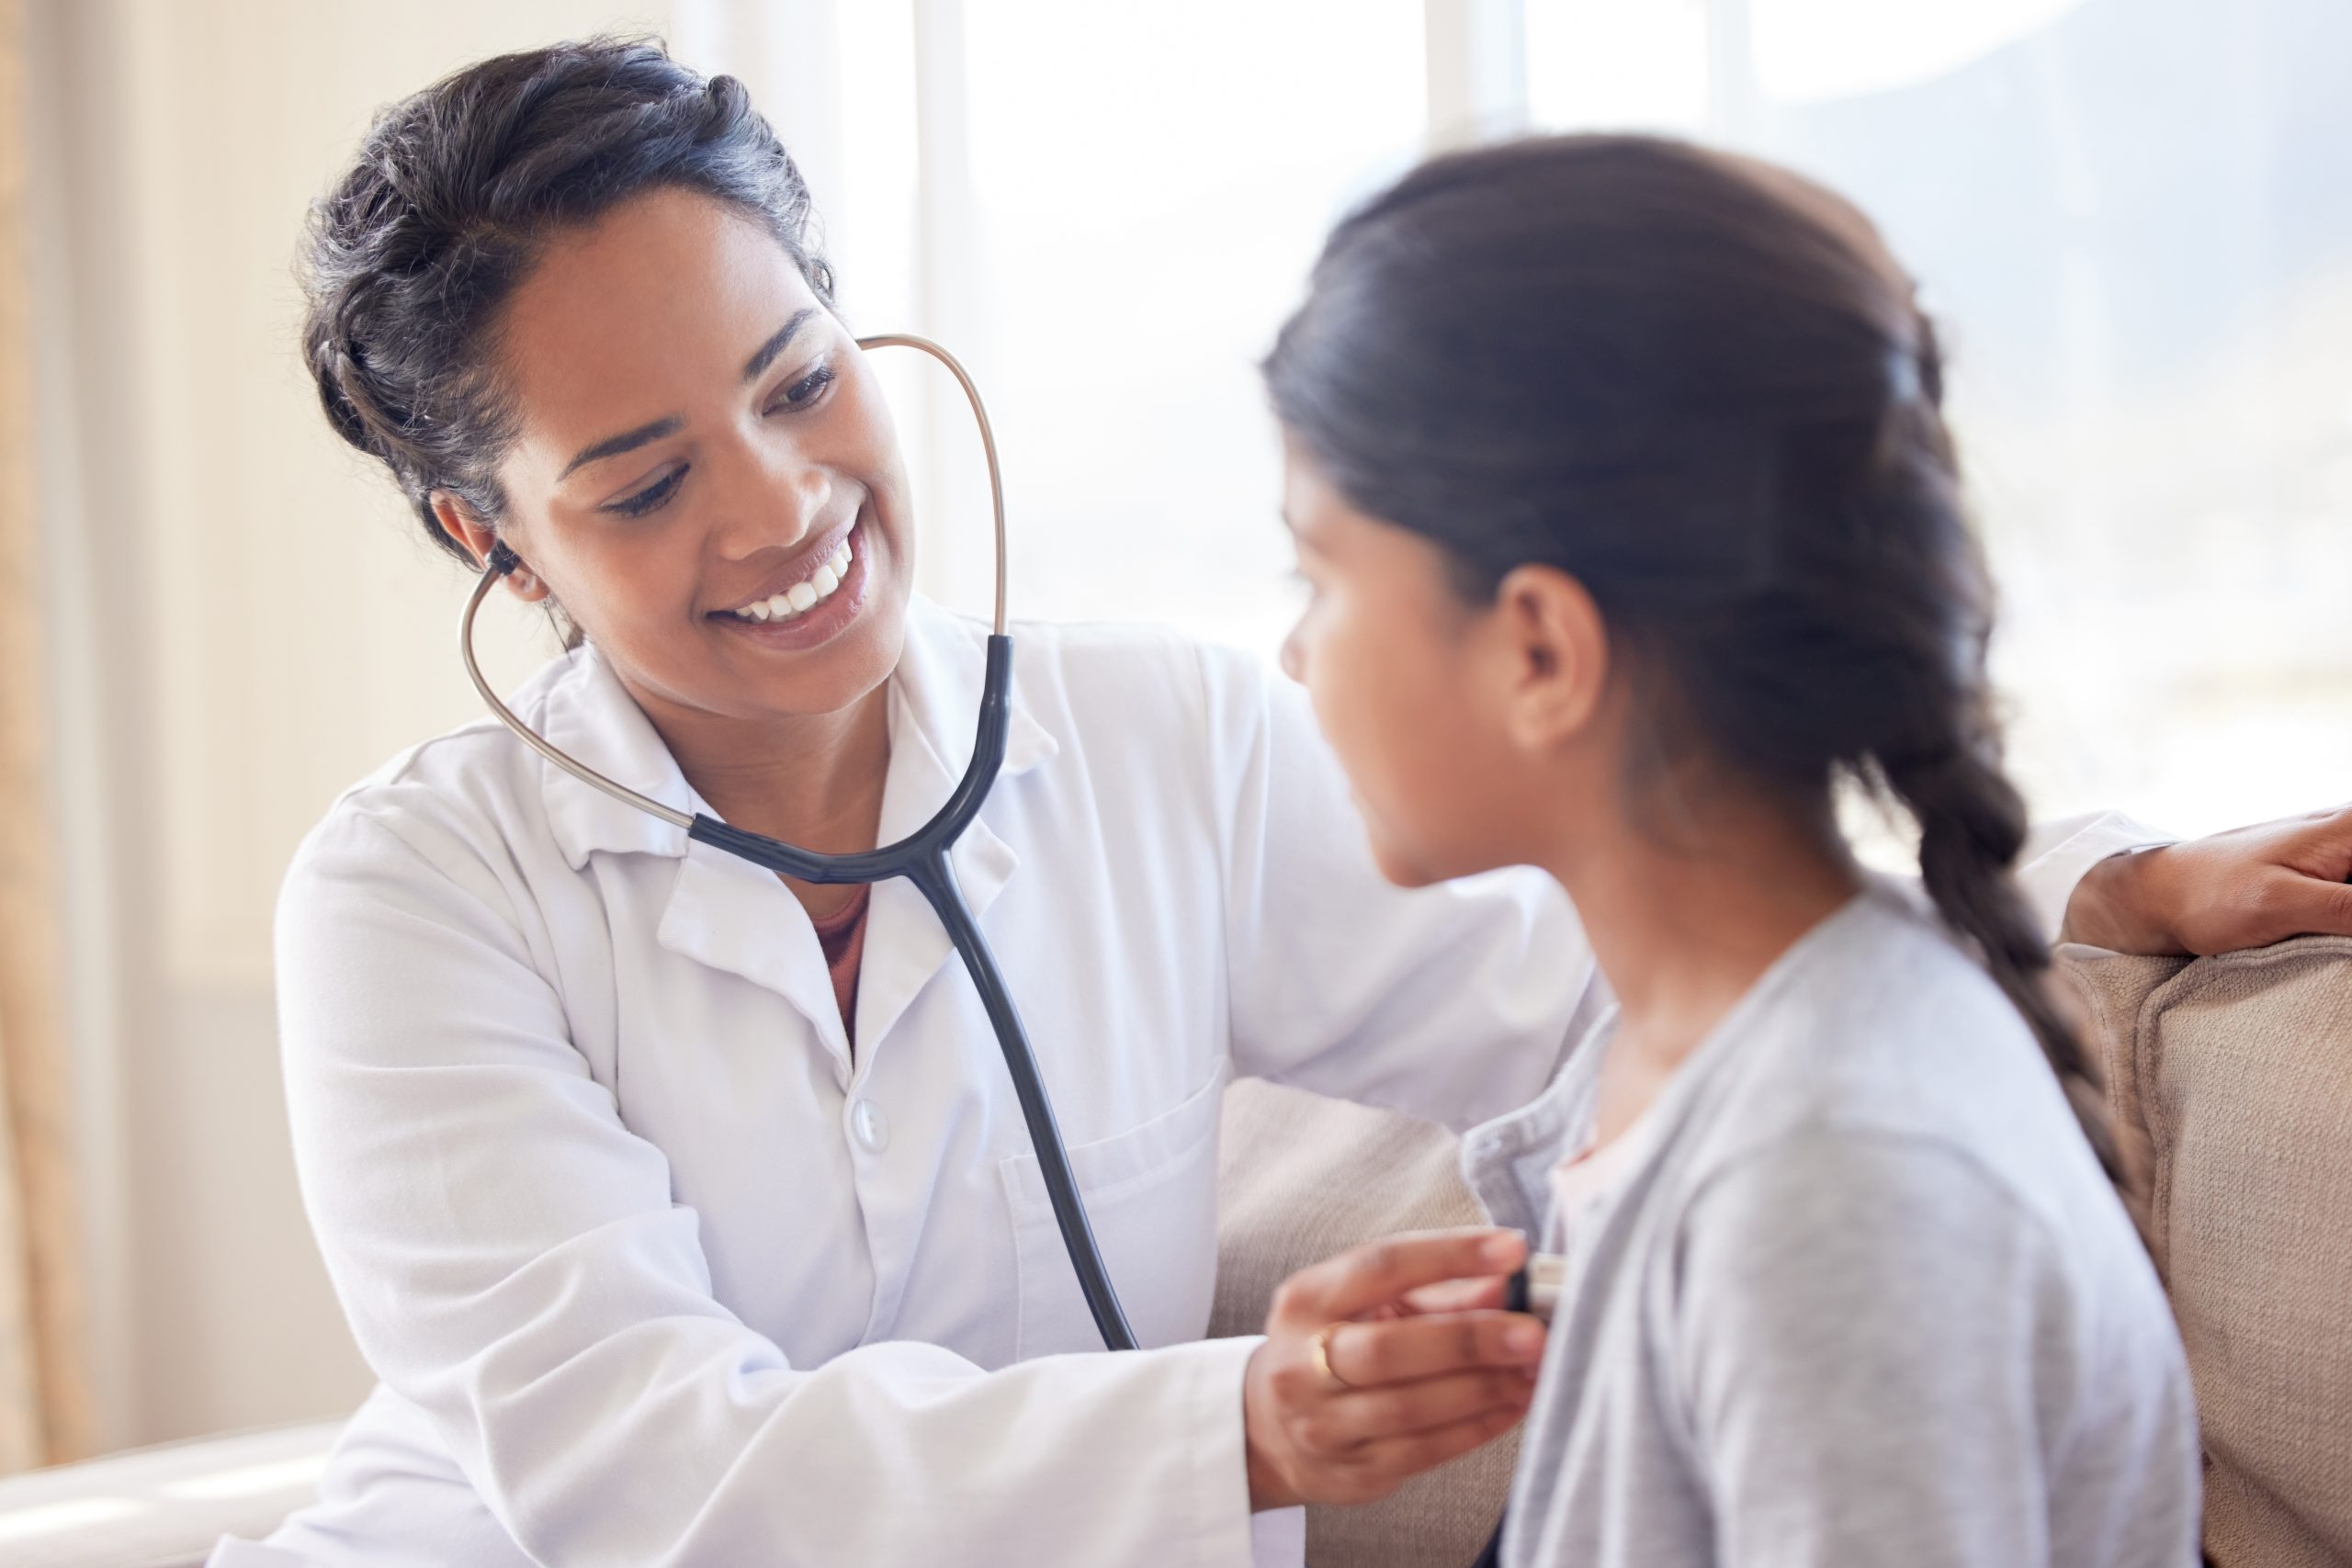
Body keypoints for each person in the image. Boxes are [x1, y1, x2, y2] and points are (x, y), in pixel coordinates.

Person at [215, 38, 2345, 1568]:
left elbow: (1648, 939)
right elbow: (640, 1474)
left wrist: (2065, 873)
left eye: (799, 380)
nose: (785, 504)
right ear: (485, 533)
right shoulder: (414, 894)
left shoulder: (1164, 742)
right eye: (646, 477)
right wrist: (1233, 1415)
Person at [1262, 134, 2202, 1566]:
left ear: (1538, 649)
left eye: (1317, 576)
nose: (1293, 651)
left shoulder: (1837, 1180)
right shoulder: (1696, 1059)